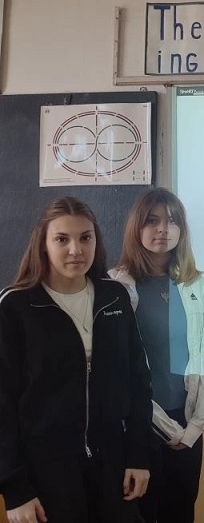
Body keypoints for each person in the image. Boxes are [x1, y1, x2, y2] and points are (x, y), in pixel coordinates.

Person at [0, 197, 152, 523]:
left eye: (85, 238)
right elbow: (2, 404)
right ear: (43, 243)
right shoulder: (16, 307)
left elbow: (139, 381)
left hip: (113, 467)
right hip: (46, 473)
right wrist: (15, 489)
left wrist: (139, 456)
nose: (76, 250)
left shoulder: (115, 296)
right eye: (62, 239)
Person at [109, 188, 204, 523]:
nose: (163, 229)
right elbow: (120, 372)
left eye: (171, 221)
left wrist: (194, 427)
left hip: (187, 426)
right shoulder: (116, 287)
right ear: (136, 227)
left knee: (181, 513)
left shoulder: (195, 285)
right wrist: (168, 430)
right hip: (139, 426)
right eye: (152, 221)